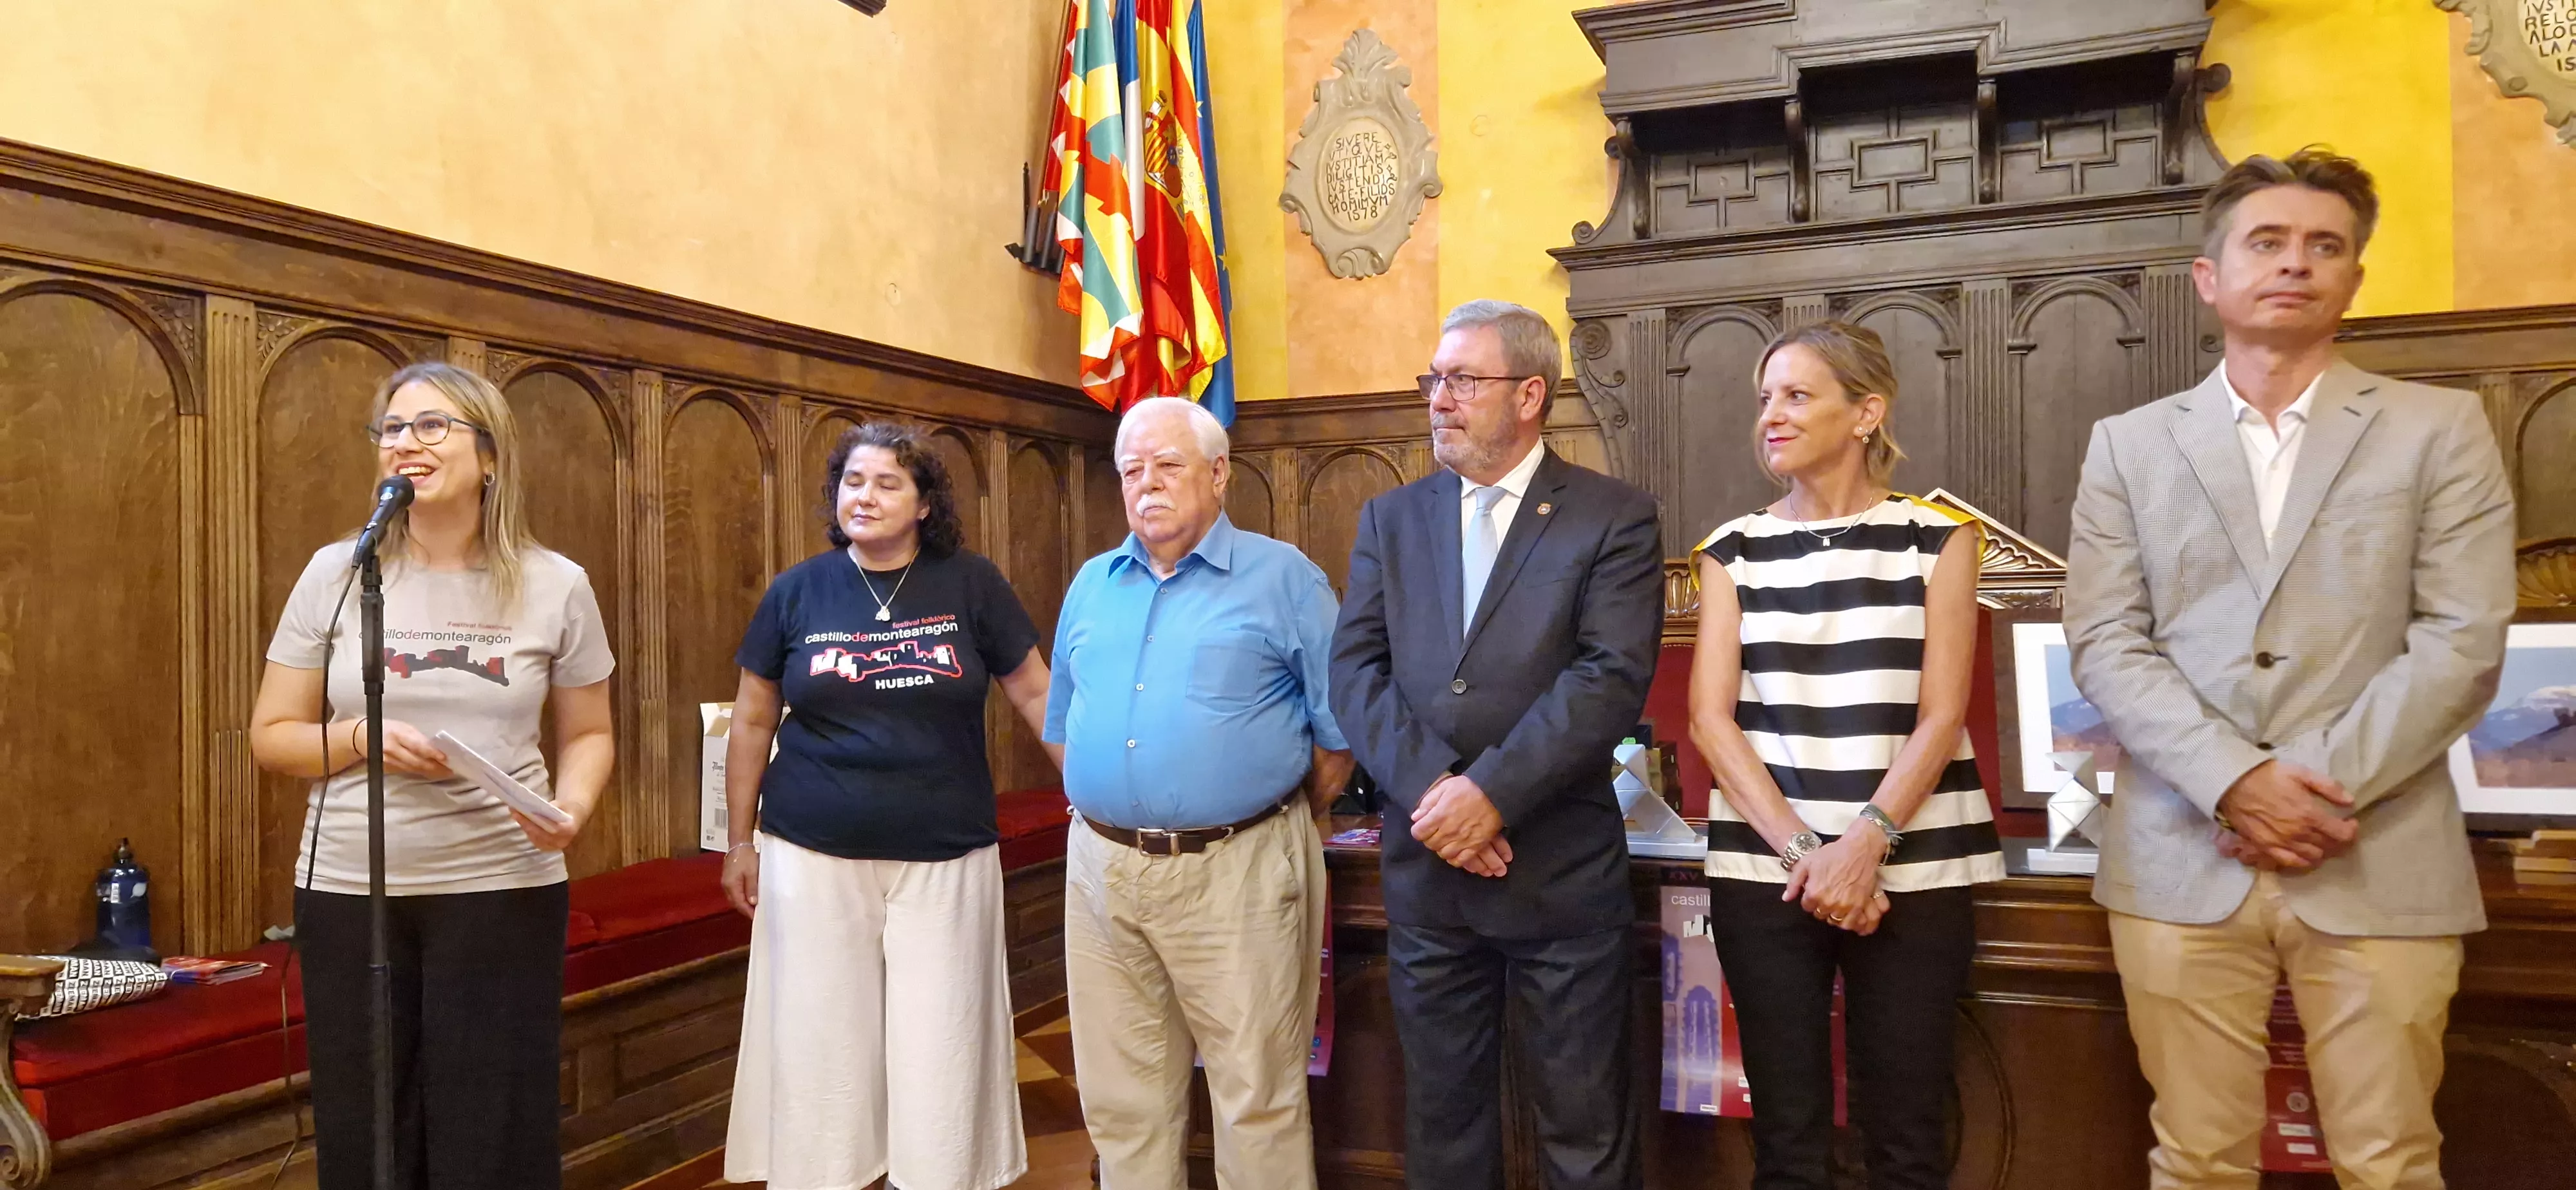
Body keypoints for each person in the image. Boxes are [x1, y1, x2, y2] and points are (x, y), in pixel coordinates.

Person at [2064, 147, 2515, 1190]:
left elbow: (2463, 635)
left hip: (2379, 844)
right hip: (2180, 851)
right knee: (2196, 1157)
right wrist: (2234, 779)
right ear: (2209, 276)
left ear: (2355, 276)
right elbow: (2106, 637)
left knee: (2392, 1160)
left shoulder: (2438, 429)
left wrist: (2305, 788)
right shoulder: (2129, 446)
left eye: (2326, 246)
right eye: (2267, 242)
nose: (2296, 263)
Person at [248, 361, 616, 1190]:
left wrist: (572, 804)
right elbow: (272, 737)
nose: (405, 443)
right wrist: (357, 739)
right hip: (353, 889)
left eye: (431, 426)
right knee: (369, 1126)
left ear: (490, 456)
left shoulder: (557, 585)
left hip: (502, 886)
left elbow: (589, 732)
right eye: (392, 429)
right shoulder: (337, 572)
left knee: (493, 1126)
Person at [1329, 299, 1663, 1190]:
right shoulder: (1391, 520)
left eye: (1462, 379)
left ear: (1529, 395)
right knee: (1443, 1129)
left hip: (1556, 872)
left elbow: (1607, 679)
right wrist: (1441, 796)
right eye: (1434, 379)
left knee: (1583, 1130)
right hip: (1431, 876)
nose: (1439, 398)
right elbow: (1355, 674)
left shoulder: (1612, 517)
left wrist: (1491, 798)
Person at [1687, 321, 2006, 1189]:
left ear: (1866, 412)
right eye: (1765, 400)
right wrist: (1807, 857)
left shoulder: (1938, 538)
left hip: (1914, 863)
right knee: (1787, 1140)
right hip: (1769, 870)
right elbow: (1712, 722)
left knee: (1905, 1134)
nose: (1772, 417)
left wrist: (1863, 847)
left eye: (1797, 396)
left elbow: (1941, 715)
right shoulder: (1731, 549)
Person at [719, 420, 1054, 1190]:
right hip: (811, 851)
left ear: (925, 503)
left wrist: (1095, 789)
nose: (863, 498)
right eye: (852, 483)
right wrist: (741, 842)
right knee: (822, 1043)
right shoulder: (798, 591)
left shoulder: (971, 583)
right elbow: (751, 718)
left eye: (886, 483)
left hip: (946, 850)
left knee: (942, 1038)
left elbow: (1036, 693)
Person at [1043, 395, 1352, 1190]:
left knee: (1256, 1094)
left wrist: (1259, 814)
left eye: (1167, 466)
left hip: (1238, 868)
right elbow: (1065, 722)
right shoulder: (1091, 583)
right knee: (1122, 1101)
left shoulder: (1285, 578)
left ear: (1218, 474)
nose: (1146, 485)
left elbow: (1340, 738)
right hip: (1102, 873)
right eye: (1131, 470)